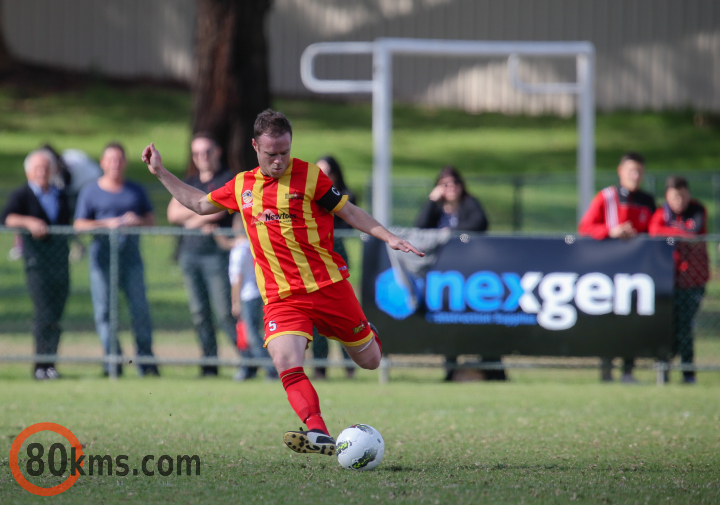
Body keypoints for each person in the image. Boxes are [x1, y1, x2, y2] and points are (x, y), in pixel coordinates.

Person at [142, 109, 423, 456]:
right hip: (282, 298)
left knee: (370, 361)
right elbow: (199, 204)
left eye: (284, 152)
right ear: (255, 147)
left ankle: (370, 333)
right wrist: (161, 172)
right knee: (285, 361)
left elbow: (348, 212)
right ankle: (318, 430)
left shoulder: (311, 176)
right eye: (271, 153)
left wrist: (388, 236)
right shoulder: (243, 185)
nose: (278, 161)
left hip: (328, 286)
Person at [74, 142, 159, 377]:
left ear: (125, 163)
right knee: (104, 312)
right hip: (102, 261)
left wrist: (136, 221)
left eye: (119, 159)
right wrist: (106, 224)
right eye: (110, 159)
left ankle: (146, 362)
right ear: (102, 163)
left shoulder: (136, 190)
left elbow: (151, 221)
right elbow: (79, 225)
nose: (115, 164)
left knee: (139, 309)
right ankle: (113, 361)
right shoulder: (90, 191)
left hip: (132, 260)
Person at [414, 166, 499, 381]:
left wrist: (449, 233)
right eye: (444, 184)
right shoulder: (437, 208)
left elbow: (480, 223)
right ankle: (451, 370)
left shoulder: (469, 203)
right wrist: (432, 200)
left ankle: (493, 370)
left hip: (471, 275)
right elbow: (420, 226)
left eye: (454, 184)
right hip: (444, 276)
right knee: (447, 323)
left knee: (480, 321)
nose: (450, 188)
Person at [578, 151, 656, 383]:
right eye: (631, 170)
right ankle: (606, 369)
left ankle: (628, 371)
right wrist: (611, 232)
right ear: (620, 172)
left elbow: (656, 232)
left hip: (638, 273)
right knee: (609, 321)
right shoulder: (607, 197)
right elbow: (585, 227)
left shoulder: (647, 201)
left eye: (639, 171)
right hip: (609, 273)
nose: (635, 175)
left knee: (633, 321)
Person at [167, 133, 237, 377]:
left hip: (217, 255)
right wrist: (198, 217)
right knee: (199, 313)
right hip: (190, 254)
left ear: (217, 151)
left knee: (225, 312)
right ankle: (209, 363)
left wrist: (193, 215)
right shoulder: (189, 181)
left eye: (206, 151)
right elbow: (172, 214)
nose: (202, 157)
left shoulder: (227, 179)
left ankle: (247, 360)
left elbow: (219, 211)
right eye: (196, 153)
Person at [1, 149, 71, 380]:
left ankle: (51, 363)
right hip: (37, 264)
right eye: (37, 168)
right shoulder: (22, 195)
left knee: (57, 314)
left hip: (59, 263)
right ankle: (40, 365)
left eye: (45, 167)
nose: (41, 172)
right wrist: (28, 221)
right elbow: (7, 217)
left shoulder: (59, 194)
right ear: (29, 171)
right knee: (44, 313)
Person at [649, 176, 709, 384]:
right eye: (675, 196)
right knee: (667, 326)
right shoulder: (661, 213)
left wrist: (675, 235)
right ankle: (664, 369)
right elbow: (654, 231)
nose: (680, 201)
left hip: (693, 281)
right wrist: (678, 234)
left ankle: (687, 373)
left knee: (685, 326)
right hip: (669, 281)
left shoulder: (697, 210)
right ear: (667, 196)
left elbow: (694, 235)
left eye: (683, 195)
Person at [312, 155, 356, 380]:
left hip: (336, 258)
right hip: (313, 263)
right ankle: (320, 367)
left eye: (328, 172)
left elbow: (346, 220)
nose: (324, 176)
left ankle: (351, 365)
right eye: (320, 172)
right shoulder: (306, 195)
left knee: (341, 314)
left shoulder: (345, 196)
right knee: (317, 318)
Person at [225, 213, 278, 381]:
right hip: (258, 294)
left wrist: (235, 302)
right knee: (253, 333)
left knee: (251, 336)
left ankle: (272, 369)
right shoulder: (251, 246)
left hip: (247, 296)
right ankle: (249, 368)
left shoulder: (238, 251)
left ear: (234, 228)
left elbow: (237, 280)